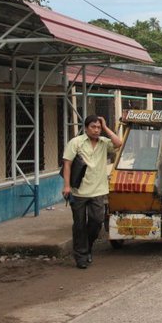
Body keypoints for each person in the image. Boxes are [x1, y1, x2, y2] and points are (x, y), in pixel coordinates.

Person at [62, 115, 122, 269]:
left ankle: (87, 247)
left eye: (98, 127)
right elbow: (67, 164)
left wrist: (106, 127)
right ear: (86, 128)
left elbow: (118, 143)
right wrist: (66, 186)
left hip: (98, 190)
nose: (96, 130)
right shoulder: (76, 143)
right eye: (93, 127)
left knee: (96, 222)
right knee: (79, 225)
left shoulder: (104, 143)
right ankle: (81, 256)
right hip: (79, 191)